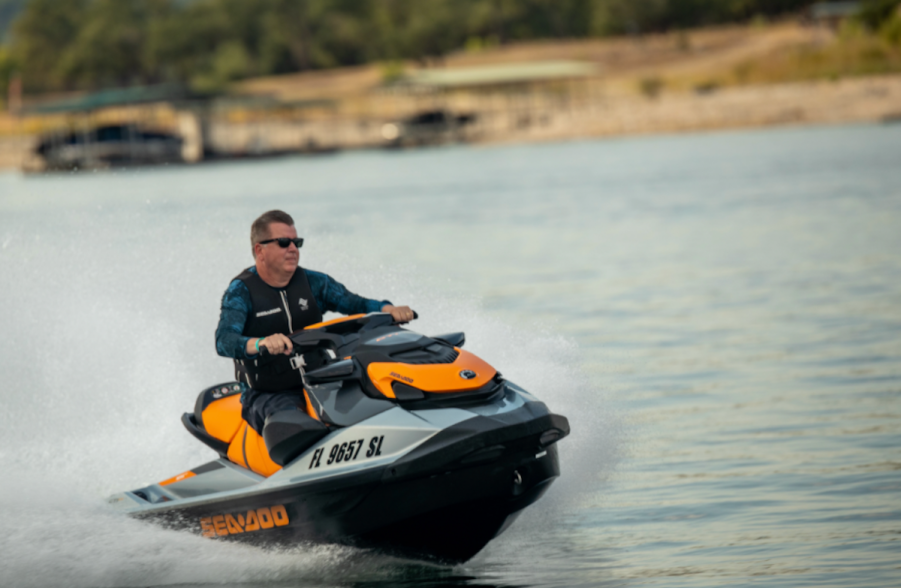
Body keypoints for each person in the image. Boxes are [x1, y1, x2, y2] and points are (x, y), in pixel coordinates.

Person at [215, 210, 413, 436]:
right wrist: (261, 343)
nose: (293, 249)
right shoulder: (240, 291)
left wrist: (388, 309)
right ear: (260, 250)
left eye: (296, 242)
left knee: (381, 399)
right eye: (283, 242)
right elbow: (224, 341)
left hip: (322, 381)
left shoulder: (315, 283)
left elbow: (355, 303)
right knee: (298, 431)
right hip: (268, 394)